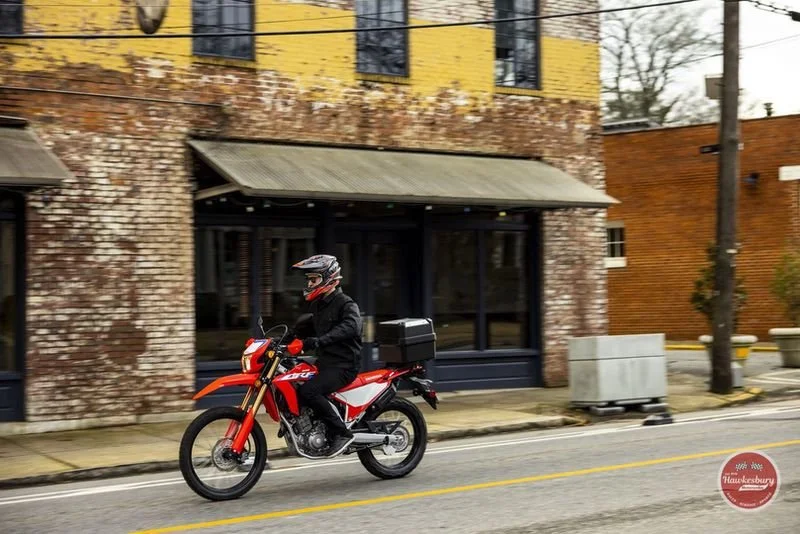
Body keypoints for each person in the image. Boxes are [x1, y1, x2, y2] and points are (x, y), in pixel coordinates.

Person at [291, 254, 363, 456]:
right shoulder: (318, 306)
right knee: (293, 381)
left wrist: (319, 341)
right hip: (325, 362)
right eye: (309, 280)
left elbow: (351, 327)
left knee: (309, 391)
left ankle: (342, 433)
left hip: (343, 365)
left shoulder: (346, 304)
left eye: (313, 279)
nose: (309, 283)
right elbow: (303, 329)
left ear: (328, 278)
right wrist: (278, 341)